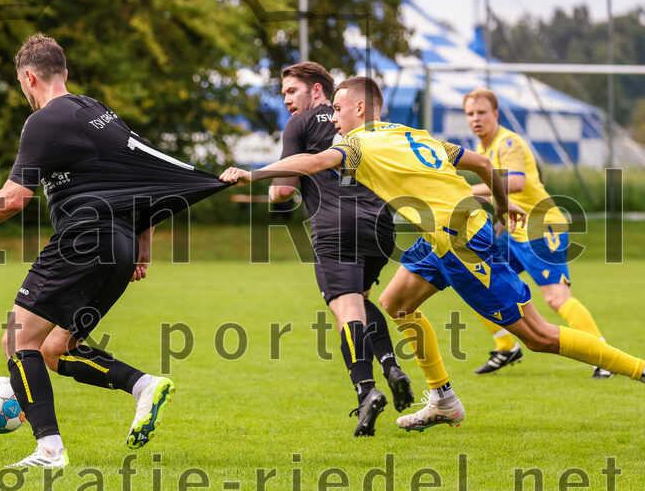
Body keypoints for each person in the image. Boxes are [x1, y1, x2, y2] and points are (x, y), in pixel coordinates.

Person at [219, 76, 645, 432]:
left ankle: (639, 369)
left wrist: (251, 172)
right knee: (395, 304)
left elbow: (310, 164)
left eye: (339, 109)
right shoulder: (410, 135)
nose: (333, 118)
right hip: (441, 236)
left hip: (461, 242)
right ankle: (444, 400)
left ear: (361, 111)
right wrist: (498, 204)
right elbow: (480, 163)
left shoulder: (357, 146)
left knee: (537, 337)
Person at [0, 33, 228, 467]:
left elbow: (13, 198)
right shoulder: (97, 110)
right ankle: (143, 386)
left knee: (17, 340)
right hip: (117, 248)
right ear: (65, 72)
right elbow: (142, 177)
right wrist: (141, 249)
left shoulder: (43, 121)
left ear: (28, 77)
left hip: (83, 240)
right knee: (54, 348)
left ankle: (49, 448)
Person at [268, 62, 413, 436]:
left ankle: (366, 391)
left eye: (291, 91)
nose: (286, 100)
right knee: (362, 300)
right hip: (381, 226)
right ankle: (391, 364)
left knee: (346, 308)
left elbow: (283, 190)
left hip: (335, 227)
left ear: (318, 90)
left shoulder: (299, 125)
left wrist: (274, 191)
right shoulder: (369, 126)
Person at [464, 88, 611, 378]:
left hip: (541, 227)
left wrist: (468, 190)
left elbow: (516, 183)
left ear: (495, 114)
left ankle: (603, 357)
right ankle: (506, 347)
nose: (475, 119)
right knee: (475, 280)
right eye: (470, 114)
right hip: (515, 231)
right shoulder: (483, 148)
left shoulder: (508, 142)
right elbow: (506, 199)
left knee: (556, 297)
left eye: (481, 113)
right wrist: (499, 229)